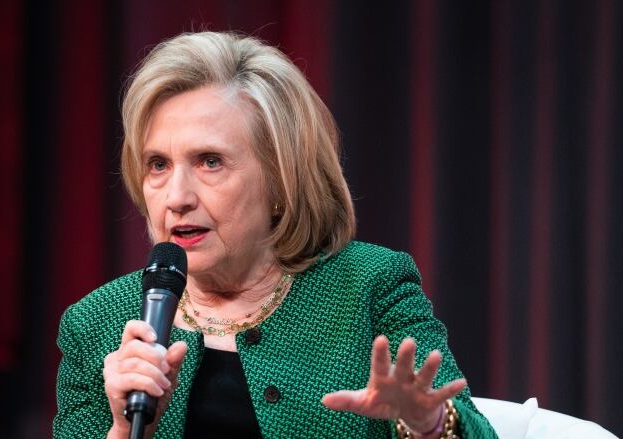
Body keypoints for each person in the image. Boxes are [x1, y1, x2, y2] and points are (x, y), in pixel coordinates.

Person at [53, 31, 497, 438]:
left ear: (282, 180)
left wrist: (430, 423)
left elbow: (472, 428)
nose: (177, 197)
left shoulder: (370, 288)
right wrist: (123, 429)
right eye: (158, 165)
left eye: (210, 161)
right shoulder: (95, 325)